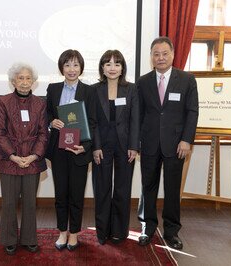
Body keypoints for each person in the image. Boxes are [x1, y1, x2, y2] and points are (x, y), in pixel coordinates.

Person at [137, 37, 199, 250]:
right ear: (151, 57)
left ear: (172, 54)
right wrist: (137, 142)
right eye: (156, 53)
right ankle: (147, 228)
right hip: (150, 143)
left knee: (172, 190)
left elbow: (192, 112)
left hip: (176, 145)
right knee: (148, 188)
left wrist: (186, 140)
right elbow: (138, 114)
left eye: (164, 53)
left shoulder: (187, 79)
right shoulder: (143, 81)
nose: (160, 57)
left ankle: (172, 232)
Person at [0, 63, 49, 255]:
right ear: (13, 81)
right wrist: (14, 156)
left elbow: (43, 134)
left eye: (28, 78)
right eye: (20, 78)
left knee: (30, 203)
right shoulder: (3, 101)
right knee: (9, 203)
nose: (24, 82)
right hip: (8, 161)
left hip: (33, 161)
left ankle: (29, 239)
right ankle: (9, 239)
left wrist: (34, 156)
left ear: (34, 81)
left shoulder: (40, 103)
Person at [45, 49, 94, 251]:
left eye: (75, 65)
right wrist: (51, 122)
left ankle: (74, 233)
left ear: (81, 67)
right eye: (67, 65)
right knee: (60, 194)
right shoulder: (53, 89)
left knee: (76, 194)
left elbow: (93, 122)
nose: (71, 69)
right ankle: (62, 233)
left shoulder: (90, 91)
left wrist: (86, 147)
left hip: (78, 150)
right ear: (61, 68)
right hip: (58, 149)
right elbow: (46, 113)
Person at [91, 50, 139, 245]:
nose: (112, 68)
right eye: (108, 64)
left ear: (122, 68)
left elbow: (135, 119)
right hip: (101, 145)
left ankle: (119, 231)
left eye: (117, 64)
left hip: (125, 145)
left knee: (122, 189)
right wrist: (95, 146)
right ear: (102, 67)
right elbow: (92, 121)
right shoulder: (94, 90)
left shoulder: (132, 89)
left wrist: (134, 146)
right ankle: (102, 232)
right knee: (102, 188)